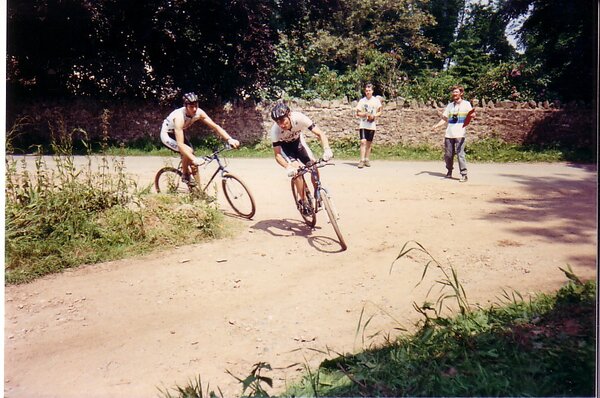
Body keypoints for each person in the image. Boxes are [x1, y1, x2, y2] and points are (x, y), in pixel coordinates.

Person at [160, 92, 240, 186]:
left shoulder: (199, 112)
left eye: (196, 106)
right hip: (167, 135)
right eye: (191, 106)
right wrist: (194, 158)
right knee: (188, 151)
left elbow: (215, 127)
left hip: (179, 133)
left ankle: (199, 192)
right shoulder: (179, 117)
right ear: (185, 106)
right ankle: (185, 175)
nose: (194, 109)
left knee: (194, 165)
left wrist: (229, 139)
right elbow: (181, 145)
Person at [269, 102, 333, 214]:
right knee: (297, 171)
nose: (281, 125)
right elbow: (277, 155)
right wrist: (287, 166)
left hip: (299, 144)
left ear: (289, 115)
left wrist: (327, 149)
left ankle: (317, 193)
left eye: (283, 120)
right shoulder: (275, 130)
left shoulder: (299, 118)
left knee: (313, 165)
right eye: (278, 122)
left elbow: (320, 134)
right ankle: (303, 201)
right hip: (286, 150)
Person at [431, 85, 474, 182]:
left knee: (460, 155)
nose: (454, 94)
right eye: (453, 92)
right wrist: (436, 126)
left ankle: (464, 174)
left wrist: (472, 115)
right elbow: (445, 119)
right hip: (449, 134)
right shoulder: (450, 106)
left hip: (460, 134)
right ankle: (449, 171)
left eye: (456, 92)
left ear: (461, 93)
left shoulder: (466, 104)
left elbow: (472, 114)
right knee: (448, 155)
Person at [355, 83, 383, 168]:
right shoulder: (362, 101)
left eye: (369, 90)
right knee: (363, 141)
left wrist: (374, 116)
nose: (368, 92)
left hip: (371, 124)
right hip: (363, 124)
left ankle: (367, 159)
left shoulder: (376, 101)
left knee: (369, 143)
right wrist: (364, 114)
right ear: (365, 91)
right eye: (366, 91)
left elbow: (380, 111)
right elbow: (358, 113)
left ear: (372, 91)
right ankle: (362, 160)